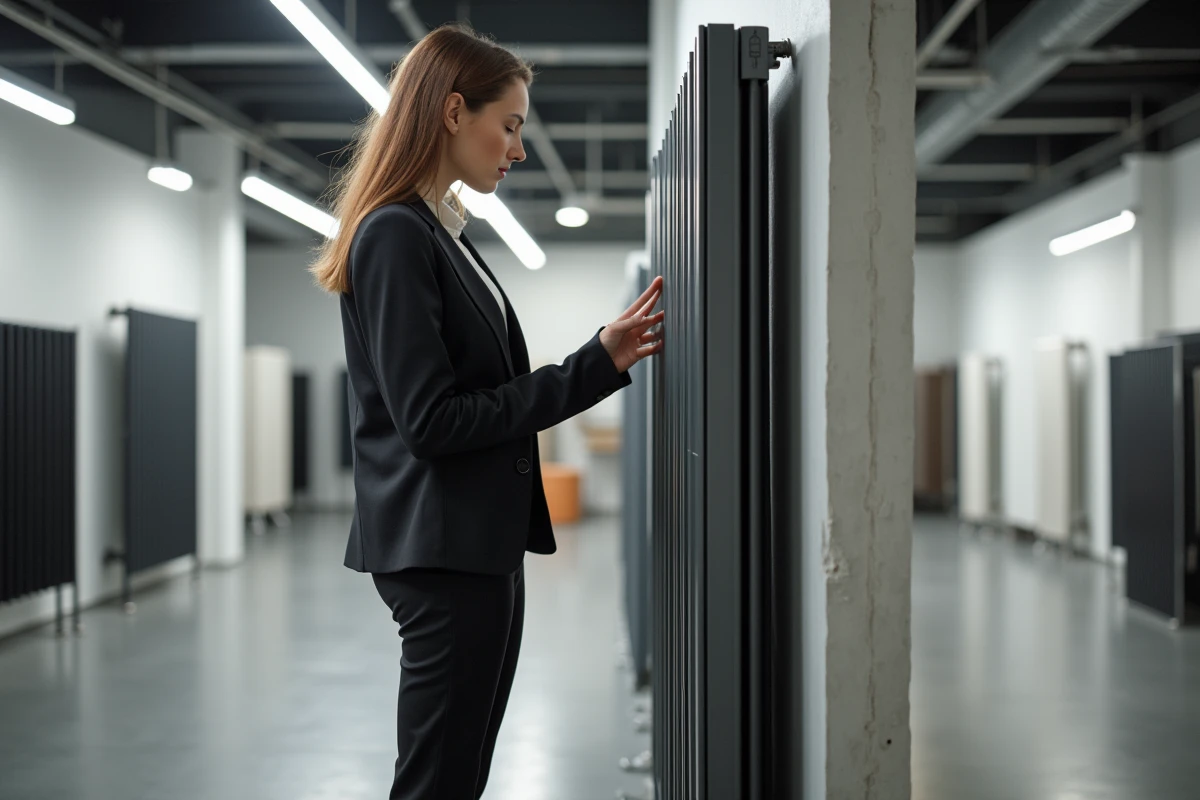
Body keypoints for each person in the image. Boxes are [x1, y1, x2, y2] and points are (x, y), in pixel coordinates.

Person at [310, 23, 665, 800]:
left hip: (474, 545)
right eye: (509, 126)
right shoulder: (395, 234)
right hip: (443, 552)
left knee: (458, 774)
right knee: (438, 780)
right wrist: (591, 366)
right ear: (452, 112)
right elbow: (430, 421)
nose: (519, 149)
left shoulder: (439, 232)